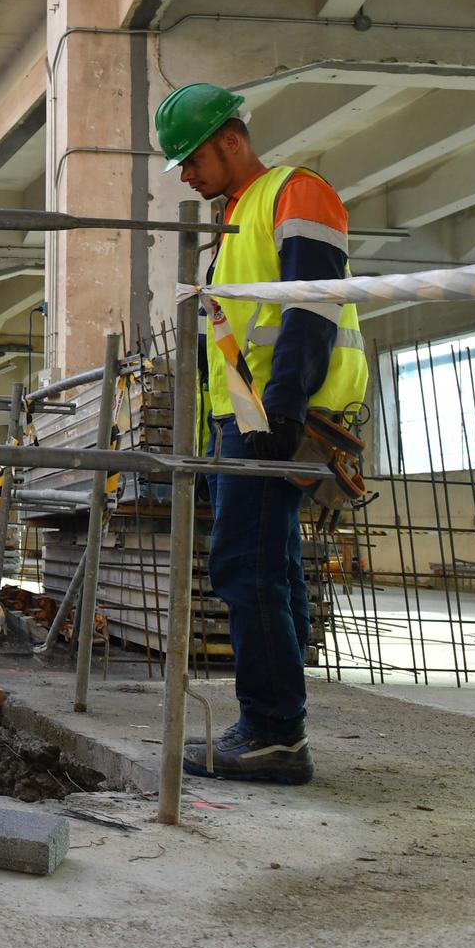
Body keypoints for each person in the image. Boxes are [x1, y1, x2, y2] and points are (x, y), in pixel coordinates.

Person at [158, 83, 369, 784]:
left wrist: (282, 406)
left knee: (246, 568)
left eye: (192, 159)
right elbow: (232, 340)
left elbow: (312, 303)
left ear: (230, 140)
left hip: (271, 420)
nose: (187, 175)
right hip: (243, 421)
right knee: (268, 567)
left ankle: (275, 731)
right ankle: (279, 724)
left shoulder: (294, 192)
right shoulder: (238, 219)